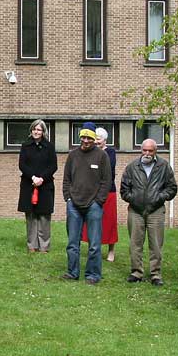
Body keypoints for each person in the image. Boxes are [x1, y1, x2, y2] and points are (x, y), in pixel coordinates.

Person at [120, 138, 177, 286]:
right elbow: (124, 189)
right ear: (141, 150)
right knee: (135, 243)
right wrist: (134, 199)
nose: (147, 153)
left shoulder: (164, 166)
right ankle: (136, 272)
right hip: (135, 211)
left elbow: (172, 188)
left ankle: (155, 274)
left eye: (150, 150)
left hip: (156, 210)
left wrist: (159, 198)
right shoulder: (132, 167)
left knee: (156, 244)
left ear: (155, 151)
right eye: (144, 150)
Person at [62, 122, 111, 284]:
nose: (85, 140)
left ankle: (93, 275)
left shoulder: (102, 156)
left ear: (94, 138)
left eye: (89, 137)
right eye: (83, 137)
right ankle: (72, 272)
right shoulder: (73, 155)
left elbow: (106, 181)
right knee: (72, 243)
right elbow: (67, 178)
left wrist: (99, 201)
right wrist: (68, 197)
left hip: (93, 206)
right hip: (74, 205)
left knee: (94, 244)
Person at [17, 119, 57, 253]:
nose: (36, 131)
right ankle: (32, 245)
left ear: (43, 132)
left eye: (39, 129)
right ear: (31, 130)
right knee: (31, 216)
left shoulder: (50, 147)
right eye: (34, 129)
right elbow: (22, 165)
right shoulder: (25, 146)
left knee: (44, 217)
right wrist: (33, 177)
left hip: (45, 185)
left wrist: (42, 178)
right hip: (29, 184)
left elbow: (53, 166)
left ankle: (44, 246)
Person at [82, 127, 119, 261]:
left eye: (99, 139)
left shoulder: (110, 152)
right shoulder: (90, 152)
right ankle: (92, 248)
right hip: (91, 192)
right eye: (95, 138)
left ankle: (111, 251)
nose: (96, 141)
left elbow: (108, 171)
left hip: (108, 192)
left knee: (109, 221)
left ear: (105, 140)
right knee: (91, 220)